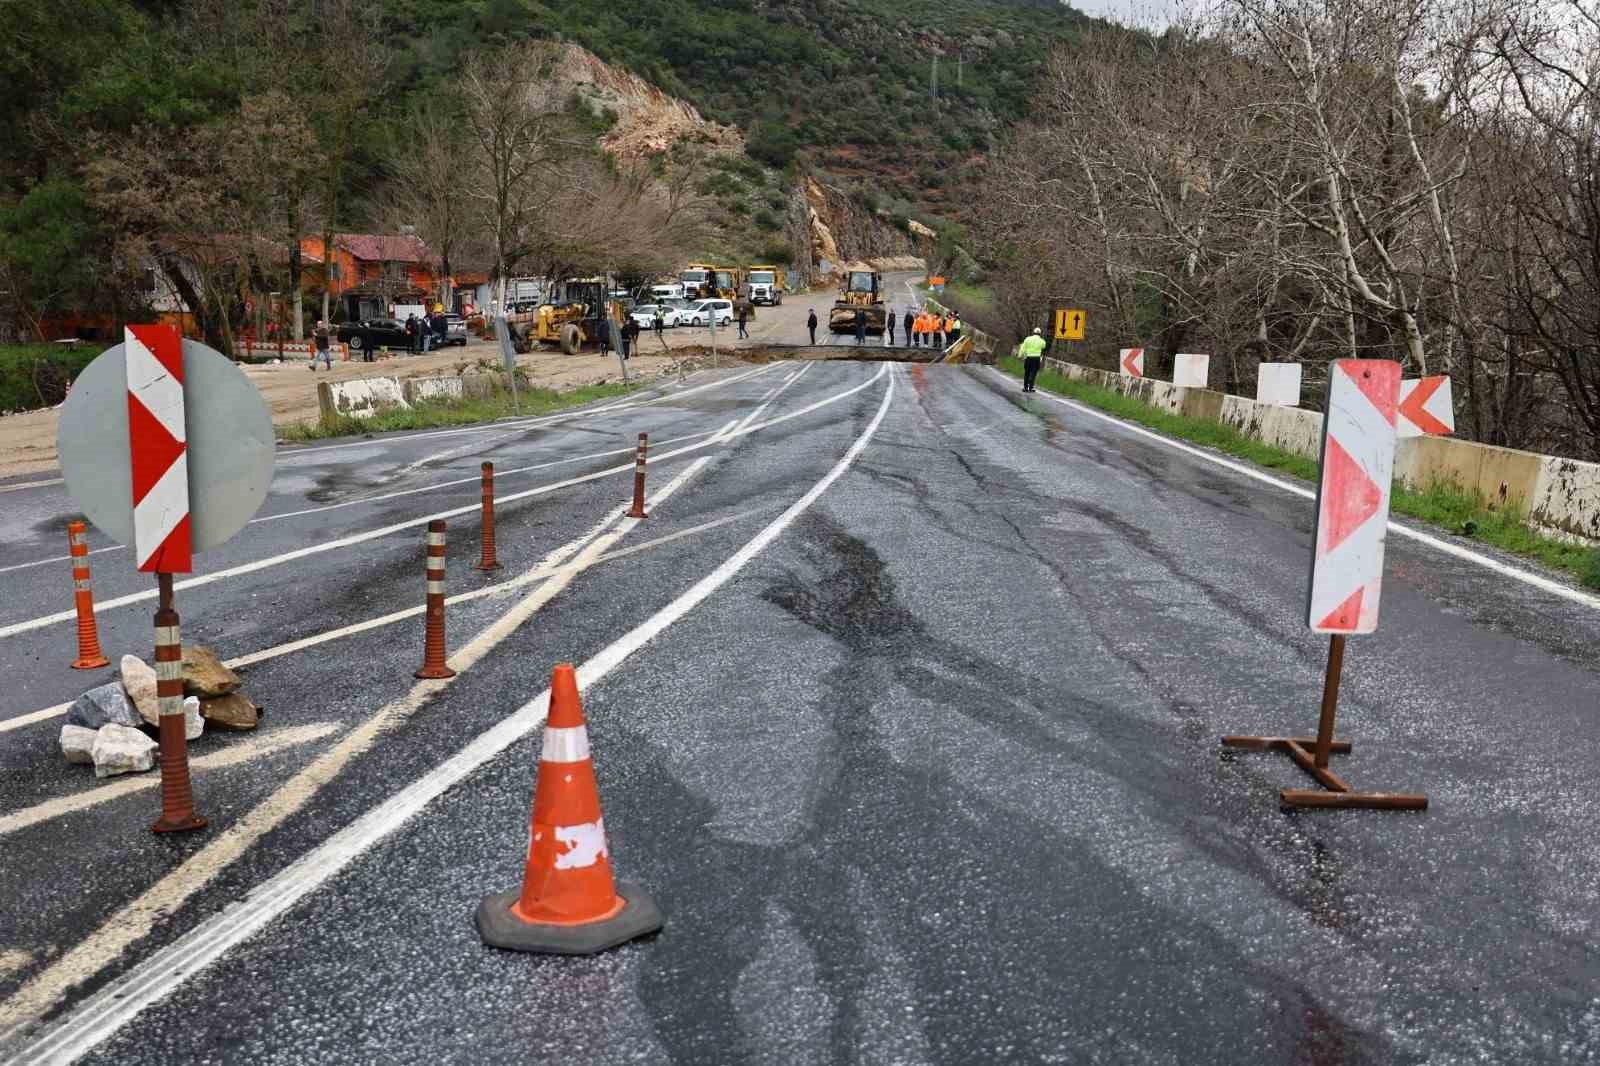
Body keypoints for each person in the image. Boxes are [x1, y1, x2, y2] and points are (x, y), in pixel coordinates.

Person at [1019, 326, 1047, 392]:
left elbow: (1022, 348)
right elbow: (1044, 346)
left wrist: (1020, 355)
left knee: (1026, 373)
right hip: (1036, 358)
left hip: (1028, 358)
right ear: (1040, 334)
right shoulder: (1042, 341)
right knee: (1034, 372)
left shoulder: (1027, 339)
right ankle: (1031, 387)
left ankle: (1025, 388)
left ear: (1033, 332)